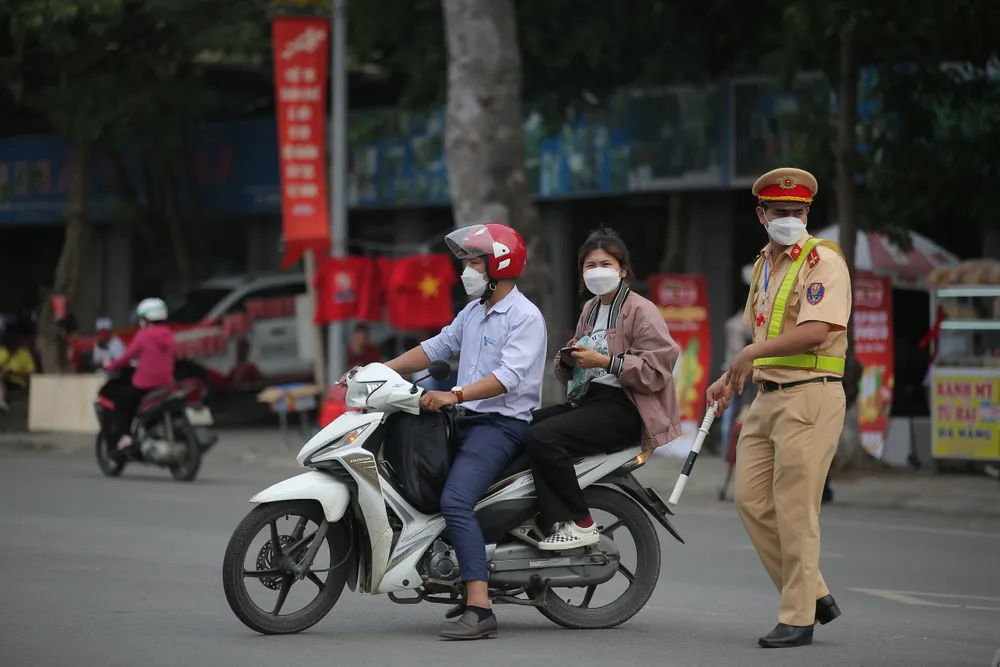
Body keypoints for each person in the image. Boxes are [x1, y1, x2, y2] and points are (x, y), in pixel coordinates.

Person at [372, 223, 547, 640]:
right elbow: (434, 348)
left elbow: (509, 377)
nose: (466, 270)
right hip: (466, 420)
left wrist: (456, 394)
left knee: (454, 499)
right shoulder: (473, 312)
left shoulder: (525, 317)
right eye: (467, 262)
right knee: (421, 484)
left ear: (499, 264)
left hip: (501, 426)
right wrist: (378, 370)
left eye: (473, 262)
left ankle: (481, 609)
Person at [706, 167, 851, 649]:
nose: (789, 218)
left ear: (808, 212)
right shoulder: (764, 264)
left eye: (798, 211)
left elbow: (817, 330)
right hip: (766, 397)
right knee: (750, 501)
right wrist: (730, 378)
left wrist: (748, 355)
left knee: (795, 510)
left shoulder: (822, 262)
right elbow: (761, 337)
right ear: (761, 214)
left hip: (811, 394)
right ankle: (815, 592)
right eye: (780, 212)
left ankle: (798, 616)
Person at [525, 227, 682, 550]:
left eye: (605, 264)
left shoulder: (641, 310)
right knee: (523, 427)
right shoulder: (591, 309)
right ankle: (537, 516)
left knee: (544, 437)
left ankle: (580, 523)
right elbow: (580, 361)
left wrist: (606, 362)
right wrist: (570, 359)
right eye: (590, 265)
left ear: (622, 270)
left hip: (626, 407)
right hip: (591, 401)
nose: (597, 272)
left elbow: (657, 369)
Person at [105, 298, 177, 452]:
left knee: (122, 404)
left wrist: (111, 366)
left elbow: (127, 356)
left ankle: (125, 437)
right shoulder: (169, 334)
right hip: (166, 385)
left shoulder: (143, 336)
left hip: (144, 385)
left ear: (145, 319)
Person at [0, 329, 37, 412]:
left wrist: (15, 373)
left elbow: (32, 372)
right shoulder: (1, 351)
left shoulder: (24, 353)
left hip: (17, 382)